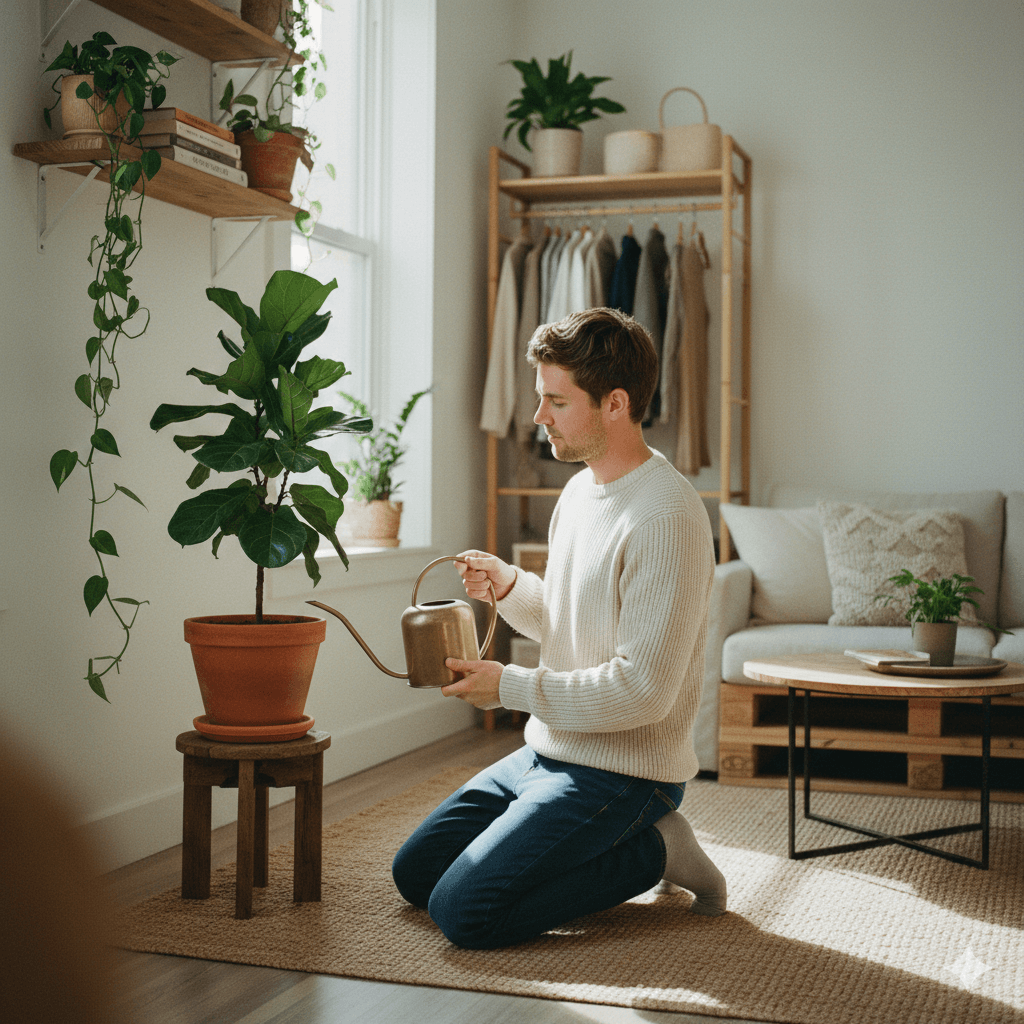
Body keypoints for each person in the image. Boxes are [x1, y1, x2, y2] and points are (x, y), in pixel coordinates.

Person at [391, 307, 726, 949]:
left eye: (555, 401)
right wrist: (511, 588)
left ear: (615, 404)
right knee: (417, 875)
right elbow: (573, 625)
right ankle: (617, 841)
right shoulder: (578, 494)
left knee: (466, 914)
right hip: (552, 748)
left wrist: (509, 687)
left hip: (625, 770)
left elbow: (642, 690)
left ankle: (656, 850)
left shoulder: (666, 518)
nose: (538, 415)